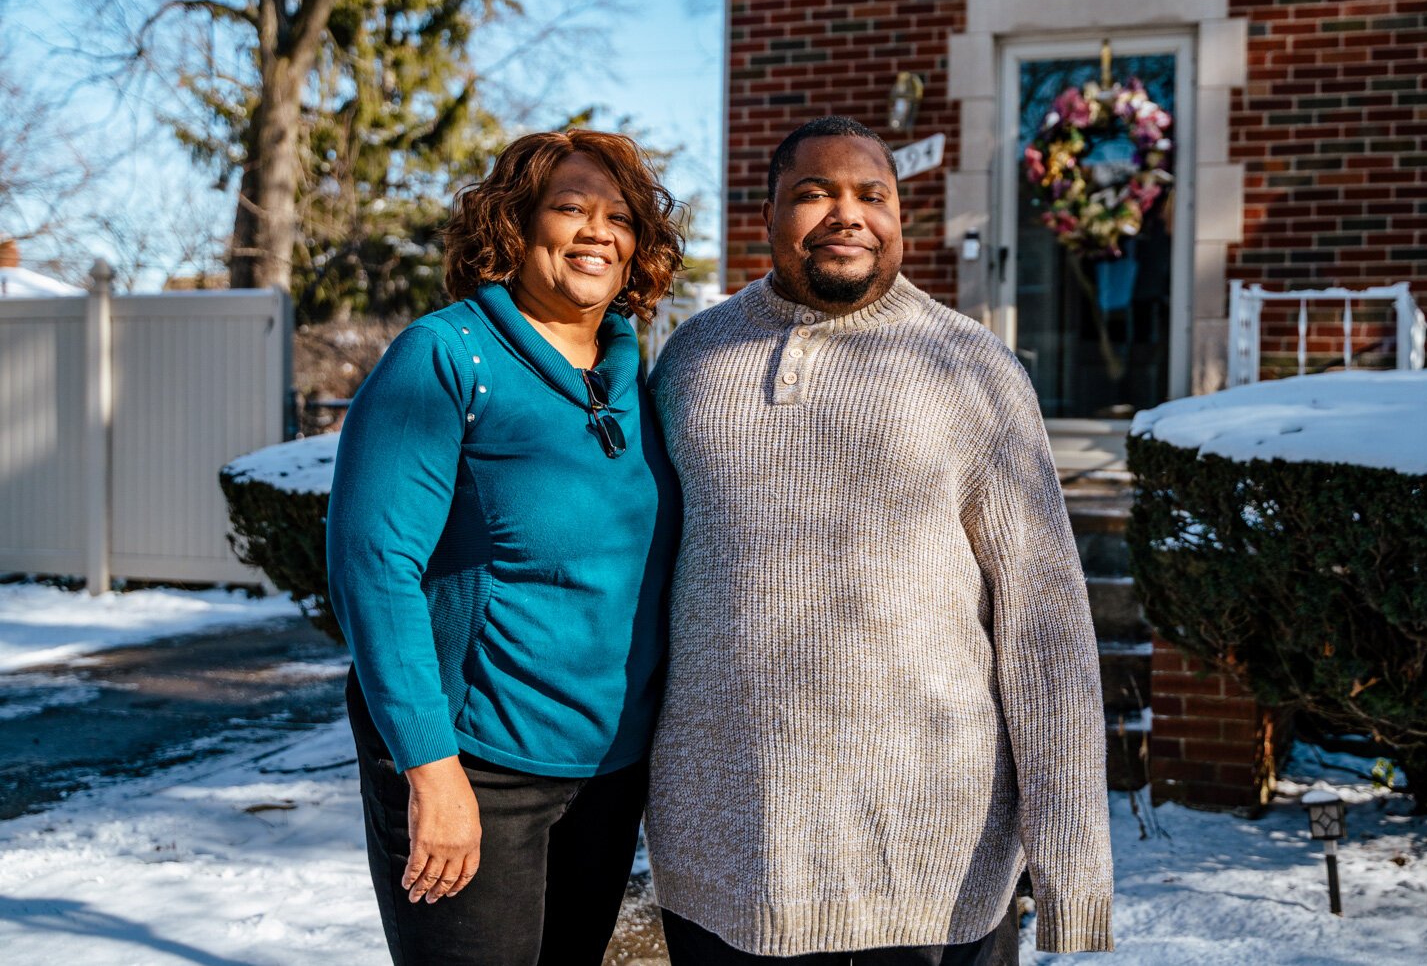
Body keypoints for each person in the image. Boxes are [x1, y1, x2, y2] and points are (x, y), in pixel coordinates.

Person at [645, 115, 1114, 963]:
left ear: (901, 216)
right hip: (723, 862)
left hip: (932, 867)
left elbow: (1046, 625)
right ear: (767, 216)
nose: (846, 214)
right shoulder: (692, 360)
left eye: (873, 194)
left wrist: (1072, 859)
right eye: (813, 193)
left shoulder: (972, 368)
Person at [326, 129, 684, 965]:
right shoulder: (446, 356)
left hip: (607, 768)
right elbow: (373, 569)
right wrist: (431, 767)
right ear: (514, 228)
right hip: (473, 763)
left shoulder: (640, 379)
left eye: (620, 217)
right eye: (570, 208)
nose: (598, 231)